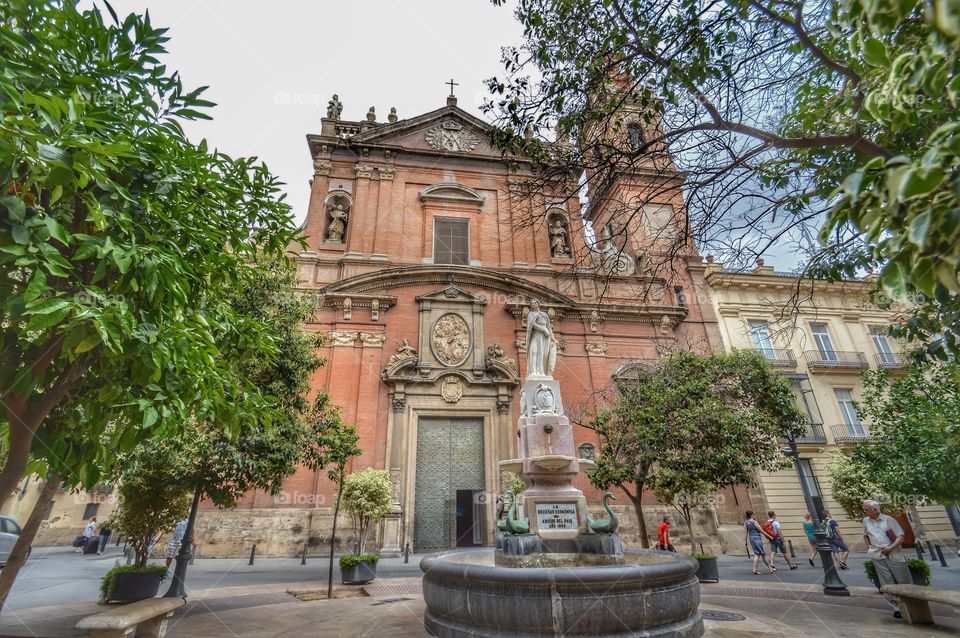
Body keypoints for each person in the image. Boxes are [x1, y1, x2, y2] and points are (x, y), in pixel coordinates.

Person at [862, 499, 910, 619]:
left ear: (874, 509)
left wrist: (890, 548)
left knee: (902, 579)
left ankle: (910, 604)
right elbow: (865, 536)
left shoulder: (889, 520)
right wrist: (870, 549)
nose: (865, 511)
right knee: (886, 582)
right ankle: (896, 608)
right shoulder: (866, 521)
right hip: (877, 555)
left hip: (894, 553)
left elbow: (900, 537)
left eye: (866, 509)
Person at [744, 511, 775, 575]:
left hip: (751, 539)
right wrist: (770, 536)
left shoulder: (746, 523)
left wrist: (745, 541)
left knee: (758, 554)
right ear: (752, 515)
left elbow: (746, 533)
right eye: (754, 514)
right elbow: (761, 531)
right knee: (760, 554)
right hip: (757, 539)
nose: (755, 516)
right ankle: (756, 569)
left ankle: (769, 568)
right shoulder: (754, 522)